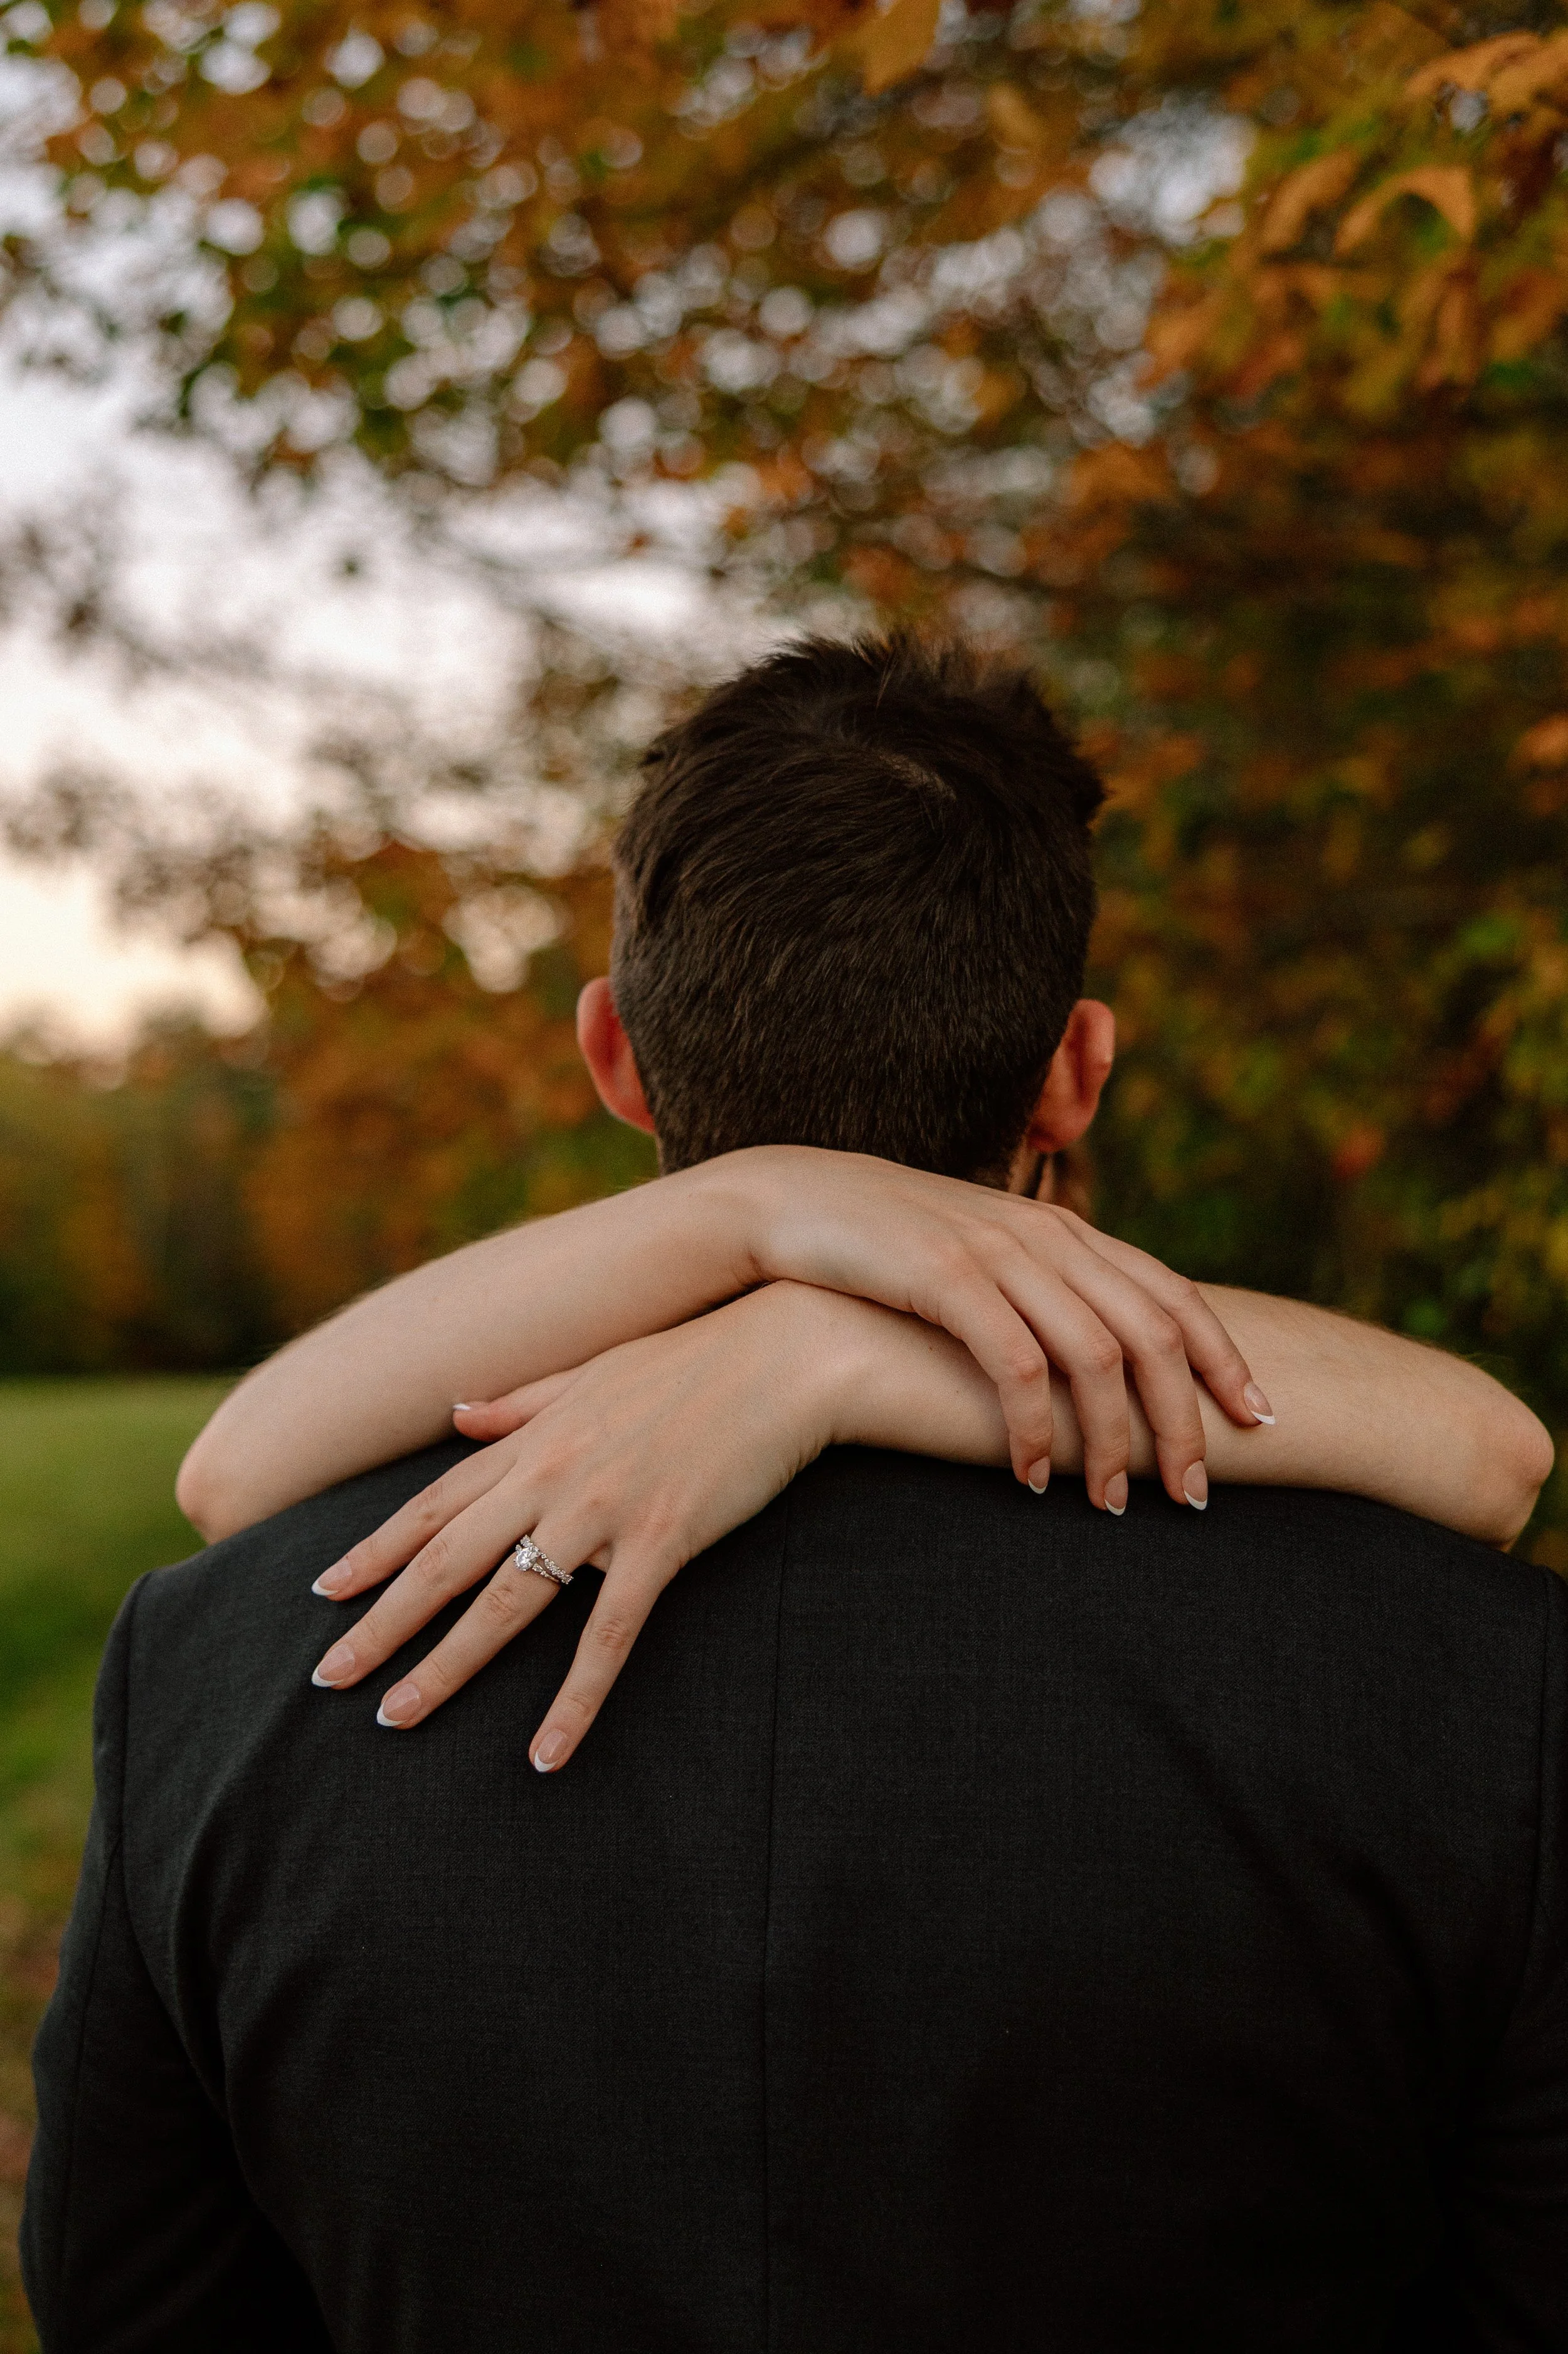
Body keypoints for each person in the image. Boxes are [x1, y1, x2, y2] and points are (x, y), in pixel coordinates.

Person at [24, 637, 1564, 2349]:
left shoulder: (230, 1654)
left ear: (614, 1056)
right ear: (1075, 1065)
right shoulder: (1472, 1683)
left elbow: (129, 2302)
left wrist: (796, 1297)